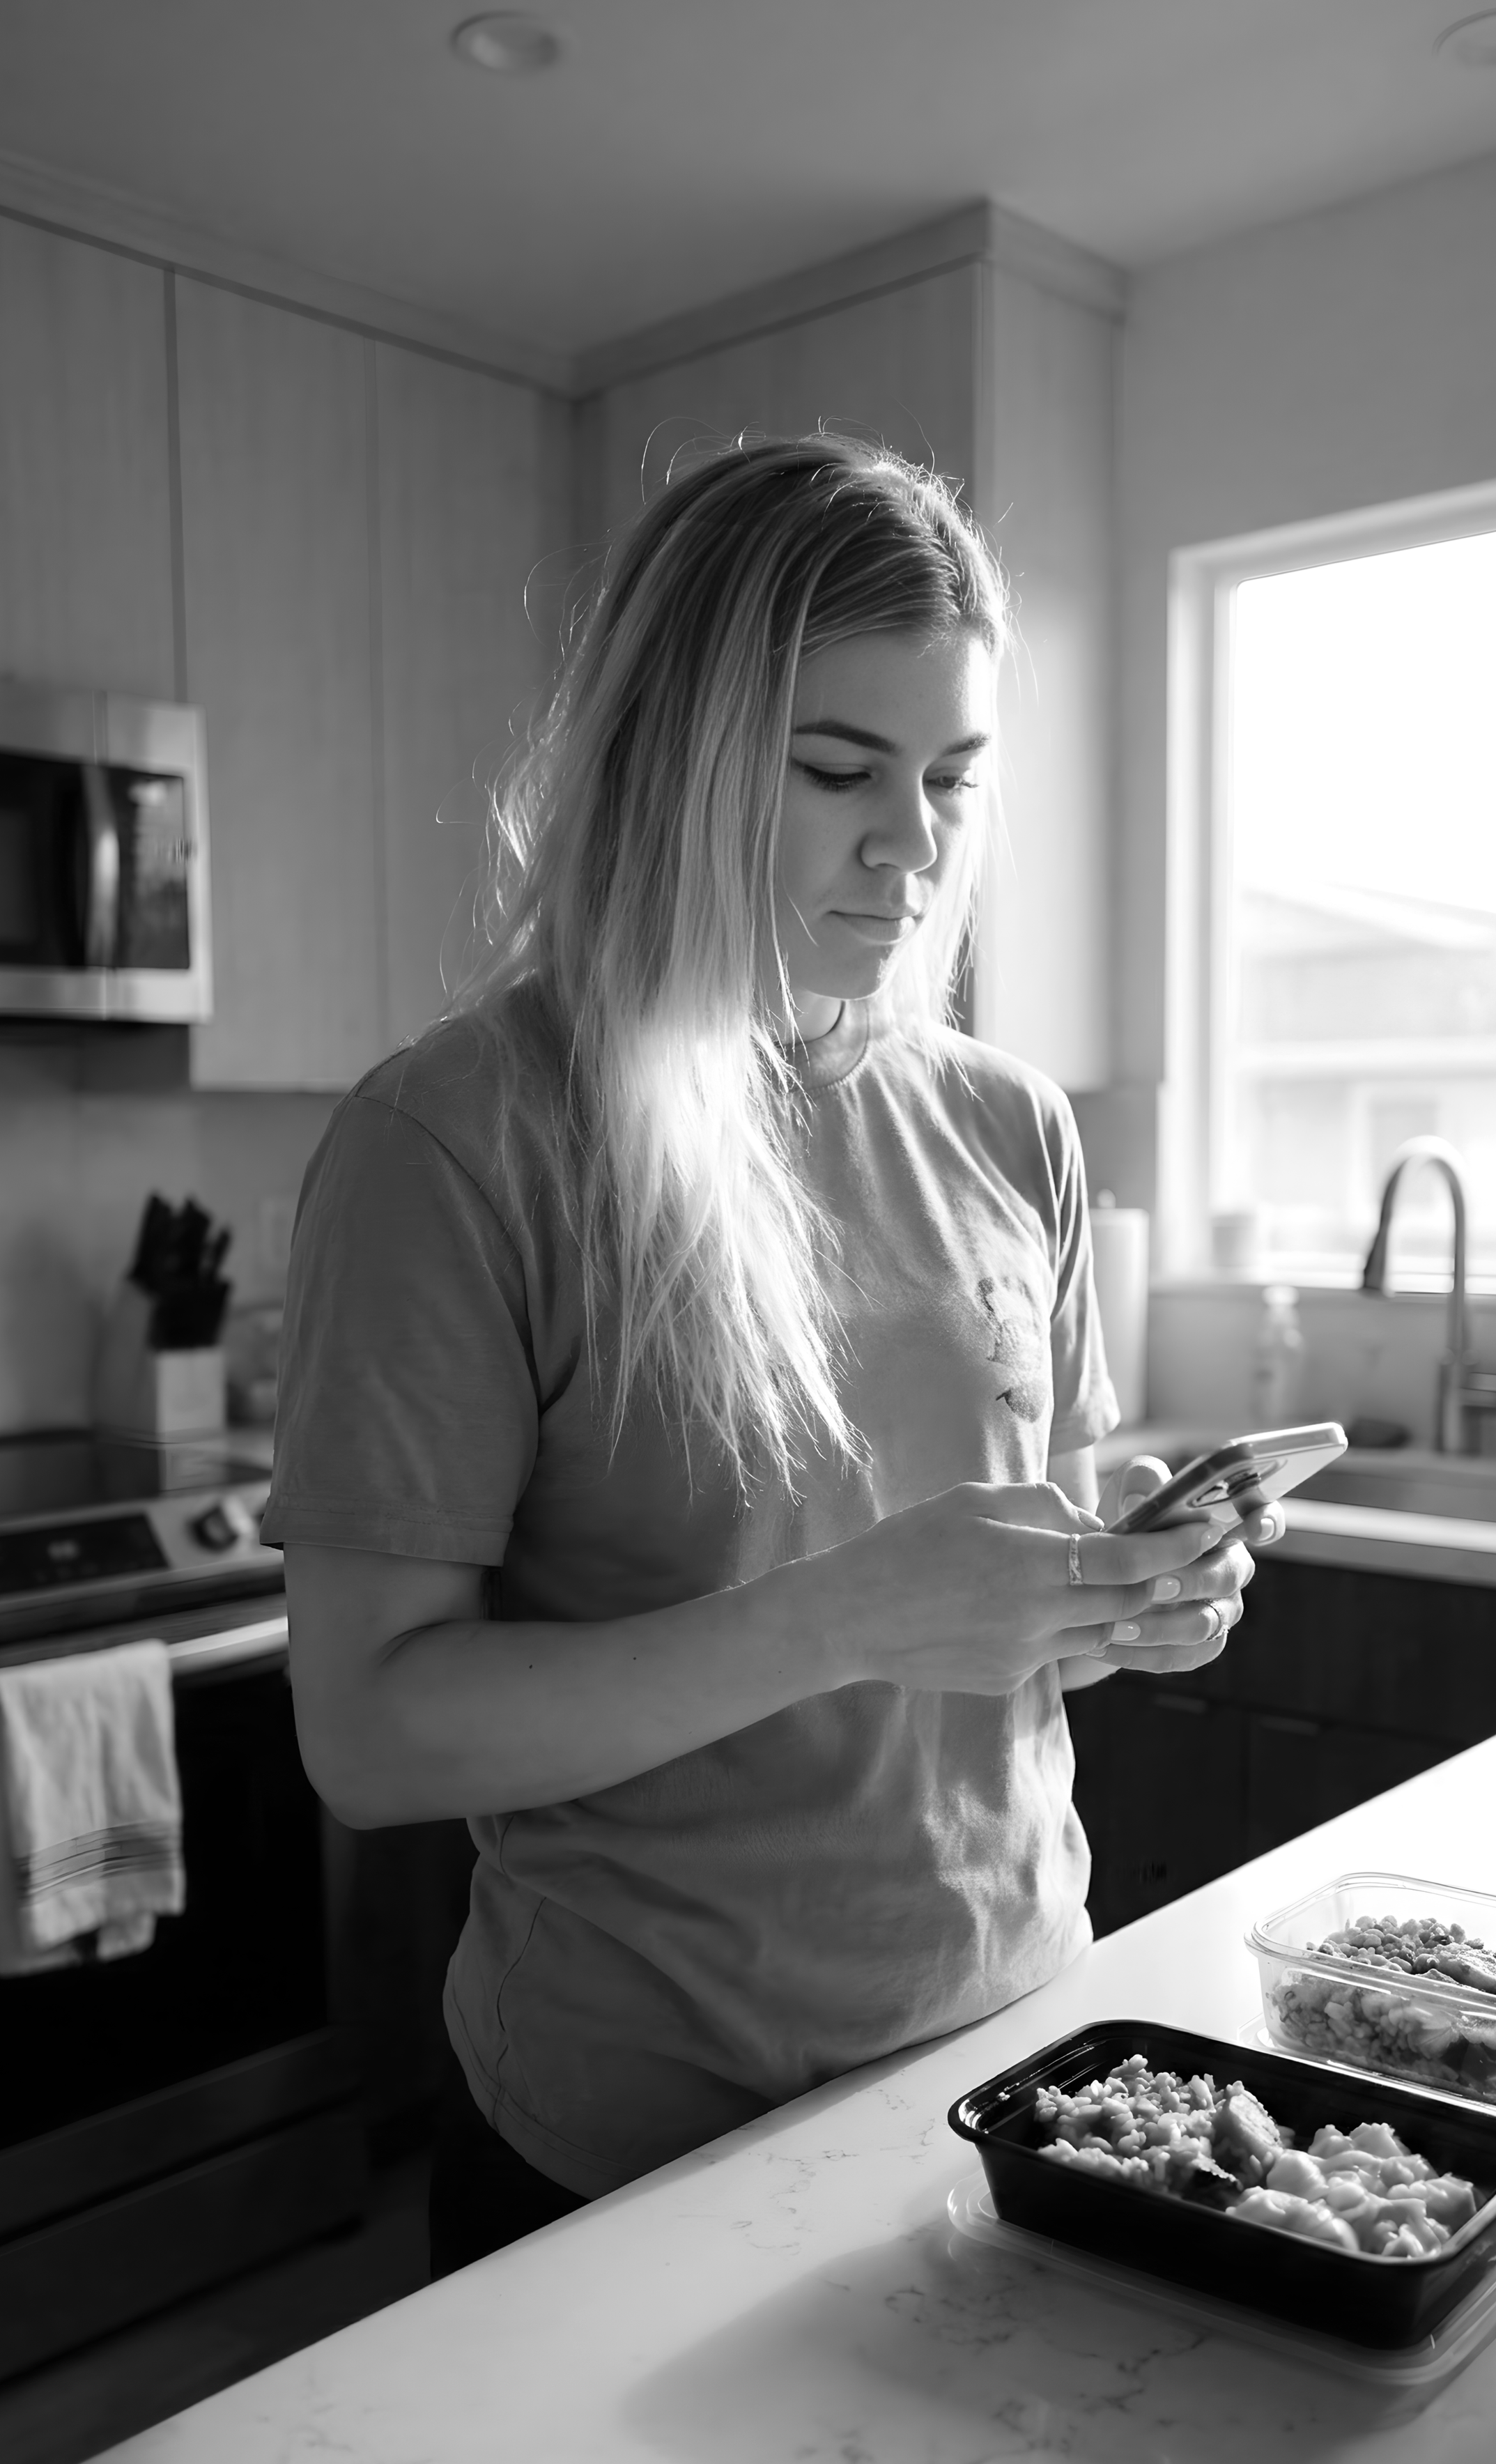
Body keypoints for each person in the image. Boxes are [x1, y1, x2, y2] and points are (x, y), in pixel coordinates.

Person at [263, 435, 1281, 2277]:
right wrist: (845, 1616)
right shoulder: (461, 1142)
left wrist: (1135, 1579)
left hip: (1010, 2069)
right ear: (673, 754)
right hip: (626, 2149)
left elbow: (1016, 1539)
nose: (912, 844)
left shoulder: (1006, 1126)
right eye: (837, 771)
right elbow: (369, 1733)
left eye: (954, 781)